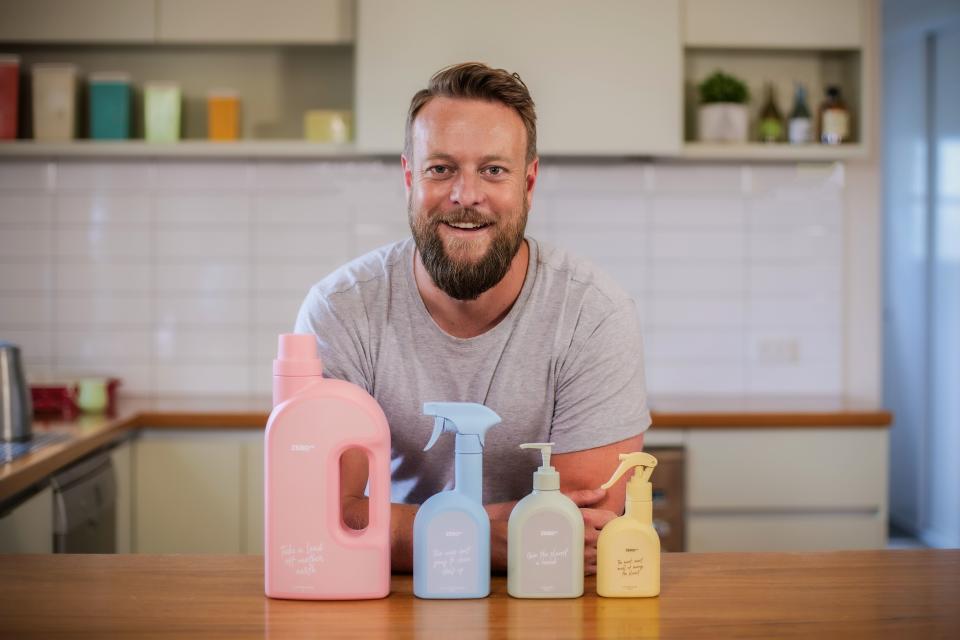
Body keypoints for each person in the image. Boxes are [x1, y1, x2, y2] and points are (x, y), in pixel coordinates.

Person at [295, 62, 651, 574]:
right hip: (389, 600)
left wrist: (397, 528)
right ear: (409, 177)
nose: (466, 195)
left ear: (529, 181)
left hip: (548, 603)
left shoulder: (593, 315)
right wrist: (480, 536)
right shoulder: (340, 310)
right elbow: (315, 519)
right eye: (441, 168)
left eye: (493, 170)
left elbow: (581, 533)